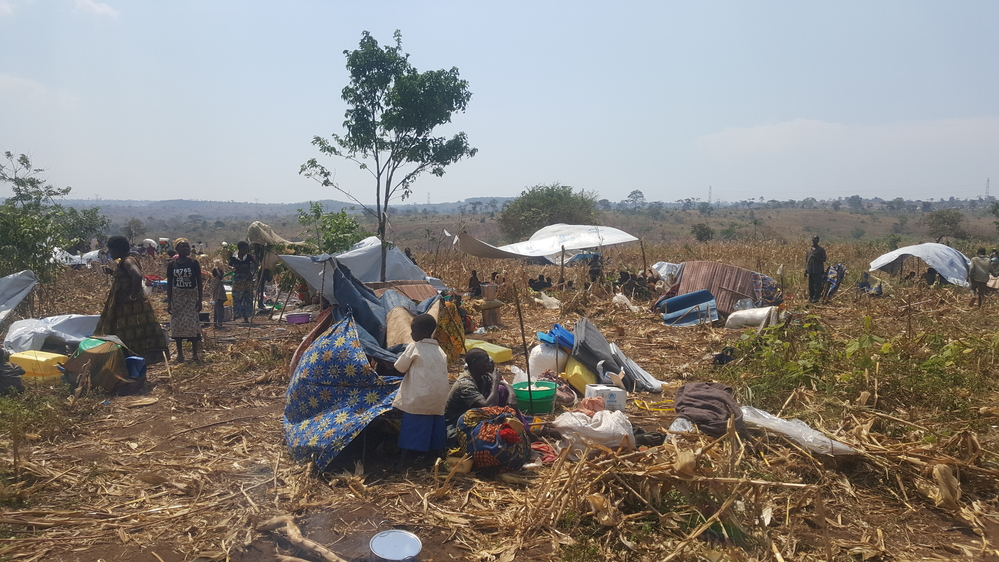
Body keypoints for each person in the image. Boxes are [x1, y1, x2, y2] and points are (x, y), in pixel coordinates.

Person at [94, 235, 168, 363]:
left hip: (131, 306)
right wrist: (112, 272)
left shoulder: (128, 261)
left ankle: (130, 358)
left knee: (128, 331)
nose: (110, 253)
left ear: (117, 250)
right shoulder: (124, 261)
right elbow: (126, 277)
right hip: (125, 303)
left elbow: (137, 276)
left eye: (111, 250)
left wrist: (132, 296)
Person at [393, 314, 449, 465]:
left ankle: (403, 462)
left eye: (413, 331)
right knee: (435, 429)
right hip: (439, 400)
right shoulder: (441, 352)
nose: (411, 334)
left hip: (419, 399)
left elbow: (399, 367)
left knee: (411, 428)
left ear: (423, 332)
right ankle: (433, 459)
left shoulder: (414, 348)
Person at [166, 239, 203, 363]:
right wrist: (169, 301)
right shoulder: (172, 264)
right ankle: (180, 354)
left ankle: (194, 354)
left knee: (192, 325)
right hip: (177, 298)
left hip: (191, 297)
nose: (186, 249)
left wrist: (200, 300)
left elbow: (199, 282)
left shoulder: (193, 263)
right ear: (177, 249)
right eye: (183, 247)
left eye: (187, 247)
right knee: (177, 326)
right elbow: (170, 283)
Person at [229, 241, 257, 323]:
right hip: (237, 279)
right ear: (240, 249)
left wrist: (253, 274)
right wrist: (231, 268)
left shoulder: (248, 257)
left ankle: (246, 317)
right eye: (245, 248)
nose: (246, 250)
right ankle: (236, 315)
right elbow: (229, 265)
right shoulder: (234, 257)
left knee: (246, 298)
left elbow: (256, 264)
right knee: (237, 297)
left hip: (247, 279)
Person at [804, 236, 827, 303]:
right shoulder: (809, 250)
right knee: (810, 286)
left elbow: (824, 259)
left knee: (817, 286)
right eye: (814, 239)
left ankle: (816, 299)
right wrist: (806, 270)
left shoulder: (821, 250)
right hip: (810, 270)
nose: (815, 240)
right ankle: (811, 298)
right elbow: (807, 261)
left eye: (817, 239)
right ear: (812, 240)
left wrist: (816, 257)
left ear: (818, 241)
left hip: (818, 270)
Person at [208, 260, 227, 329]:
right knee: (219, 310)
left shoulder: (214, 280)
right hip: (218, 297)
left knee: (217, 309)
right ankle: (219, 323)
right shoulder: (217, 280)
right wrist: (217, 269)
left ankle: (216, 323)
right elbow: (220, 276)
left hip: (217, 297)